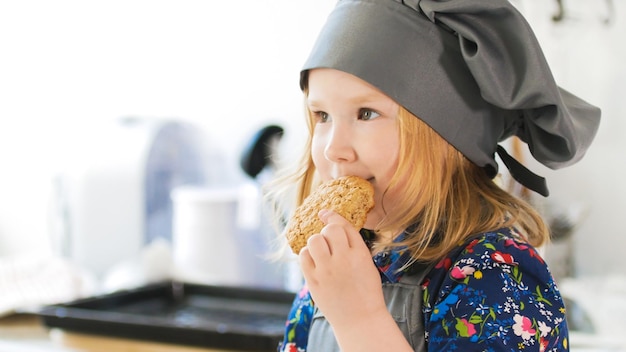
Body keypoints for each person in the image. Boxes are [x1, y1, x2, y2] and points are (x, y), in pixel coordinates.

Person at [267, 0, 601, 351]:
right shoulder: (337, 264)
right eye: (321, 115)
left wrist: (359, 318)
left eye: (366, 113)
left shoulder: (494, 276)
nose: (334, 148)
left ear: (447, 138)